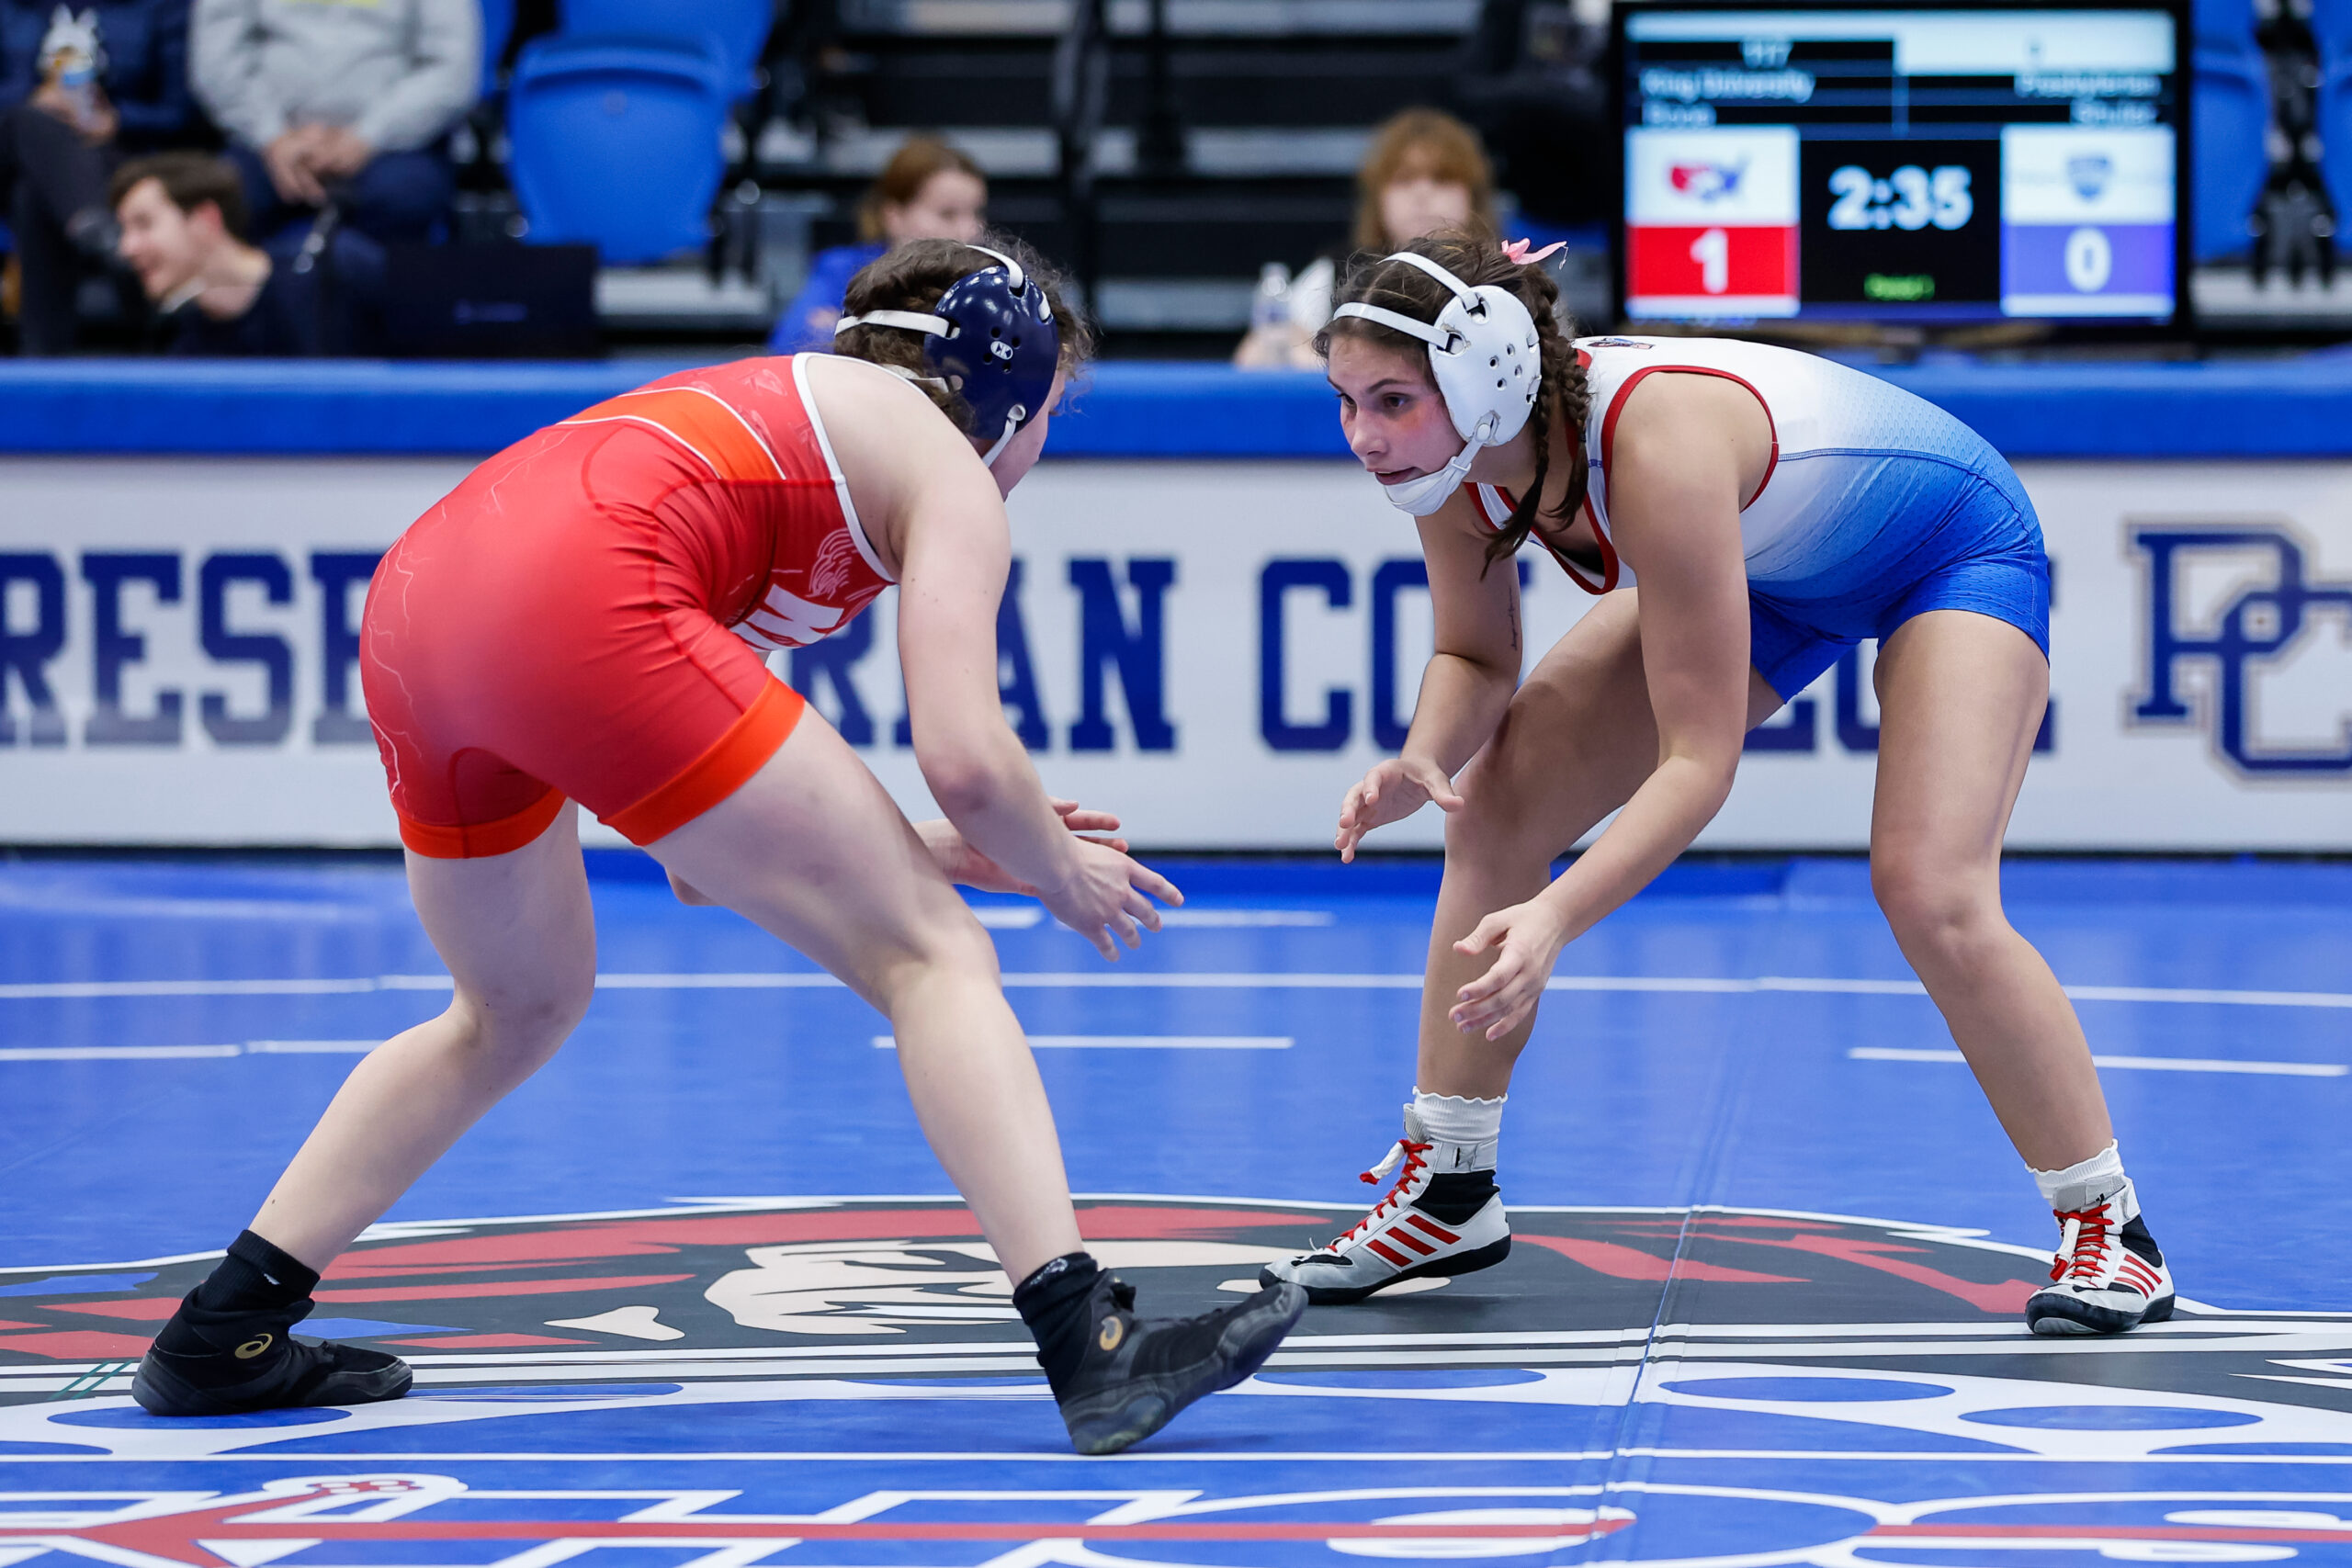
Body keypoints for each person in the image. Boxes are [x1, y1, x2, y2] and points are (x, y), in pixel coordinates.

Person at [130, 234, 1307, 1456]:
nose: (1040, 454)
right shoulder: (943, 466)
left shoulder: (788, 429)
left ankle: (226, 1328)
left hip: (424, 605)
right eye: (1052, 415)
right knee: (937, 956)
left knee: (516, 1002)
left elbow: (700, 851)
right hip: (582, 594)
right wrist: (1053, 869)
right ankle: (1087, 1340)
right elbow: (965, 754)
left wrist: (927, 846)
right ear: (1009, 389)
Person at [1261, 232, 2175, 1339]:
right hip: (1771, 565)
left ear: (1481, 373)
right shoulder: (1454, 462)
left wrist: (1554, 915)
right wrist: (1423, 754)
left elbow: (1701, 766)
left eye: (1389, 401)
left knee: (1929, 889)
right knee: (1494, 802)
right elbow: (1476, 657)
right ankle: (1450, 1186)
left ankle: (2108, 1224)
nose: (1362, 437)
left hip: (1948, 545)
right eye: (1344, 402)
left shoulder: (1654, 445)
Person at [188, 0, 476, 246]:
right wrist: (273, 136)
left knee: (405, 197)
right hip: (264, 142)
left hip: (391, 146)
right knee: (220, 201)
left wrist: (368, 135)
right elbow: (217, 59)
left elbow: (451, 70)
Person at [1233, 107, 1497, 372]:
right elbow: (1254, 356)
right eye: (1404, 180)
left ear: (1473, 196)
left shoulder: (1503, 279)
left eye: (1441, 179)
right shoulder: (1336, 275)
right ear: (1378, 199)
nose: (1422, 193)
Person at [1, 0, 194, 354]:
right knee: (28, 124)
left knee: (35, 196)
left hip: (119, 157)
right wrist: (34, 100)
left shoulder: (162, 9)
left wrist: (118, 120)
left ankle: (43, 367)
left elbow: (183, 111)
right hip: (14, 154)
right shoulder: (13, 8)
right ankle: (102, 233)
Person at [111, 150, 382, 354]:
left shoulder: (336, 272)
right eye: (124, 230)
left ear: (206, 220)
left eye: (144, 224)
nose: (127, 248)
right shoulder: (183, 350)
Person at [768, 133, 985, 354]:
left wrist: (852, 332)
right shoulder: (842, 270)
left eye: (976, 212)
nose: (970, 230)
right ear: (894, 216)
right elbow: (790, 348)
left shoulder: (988, 284)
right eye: (947, 214)